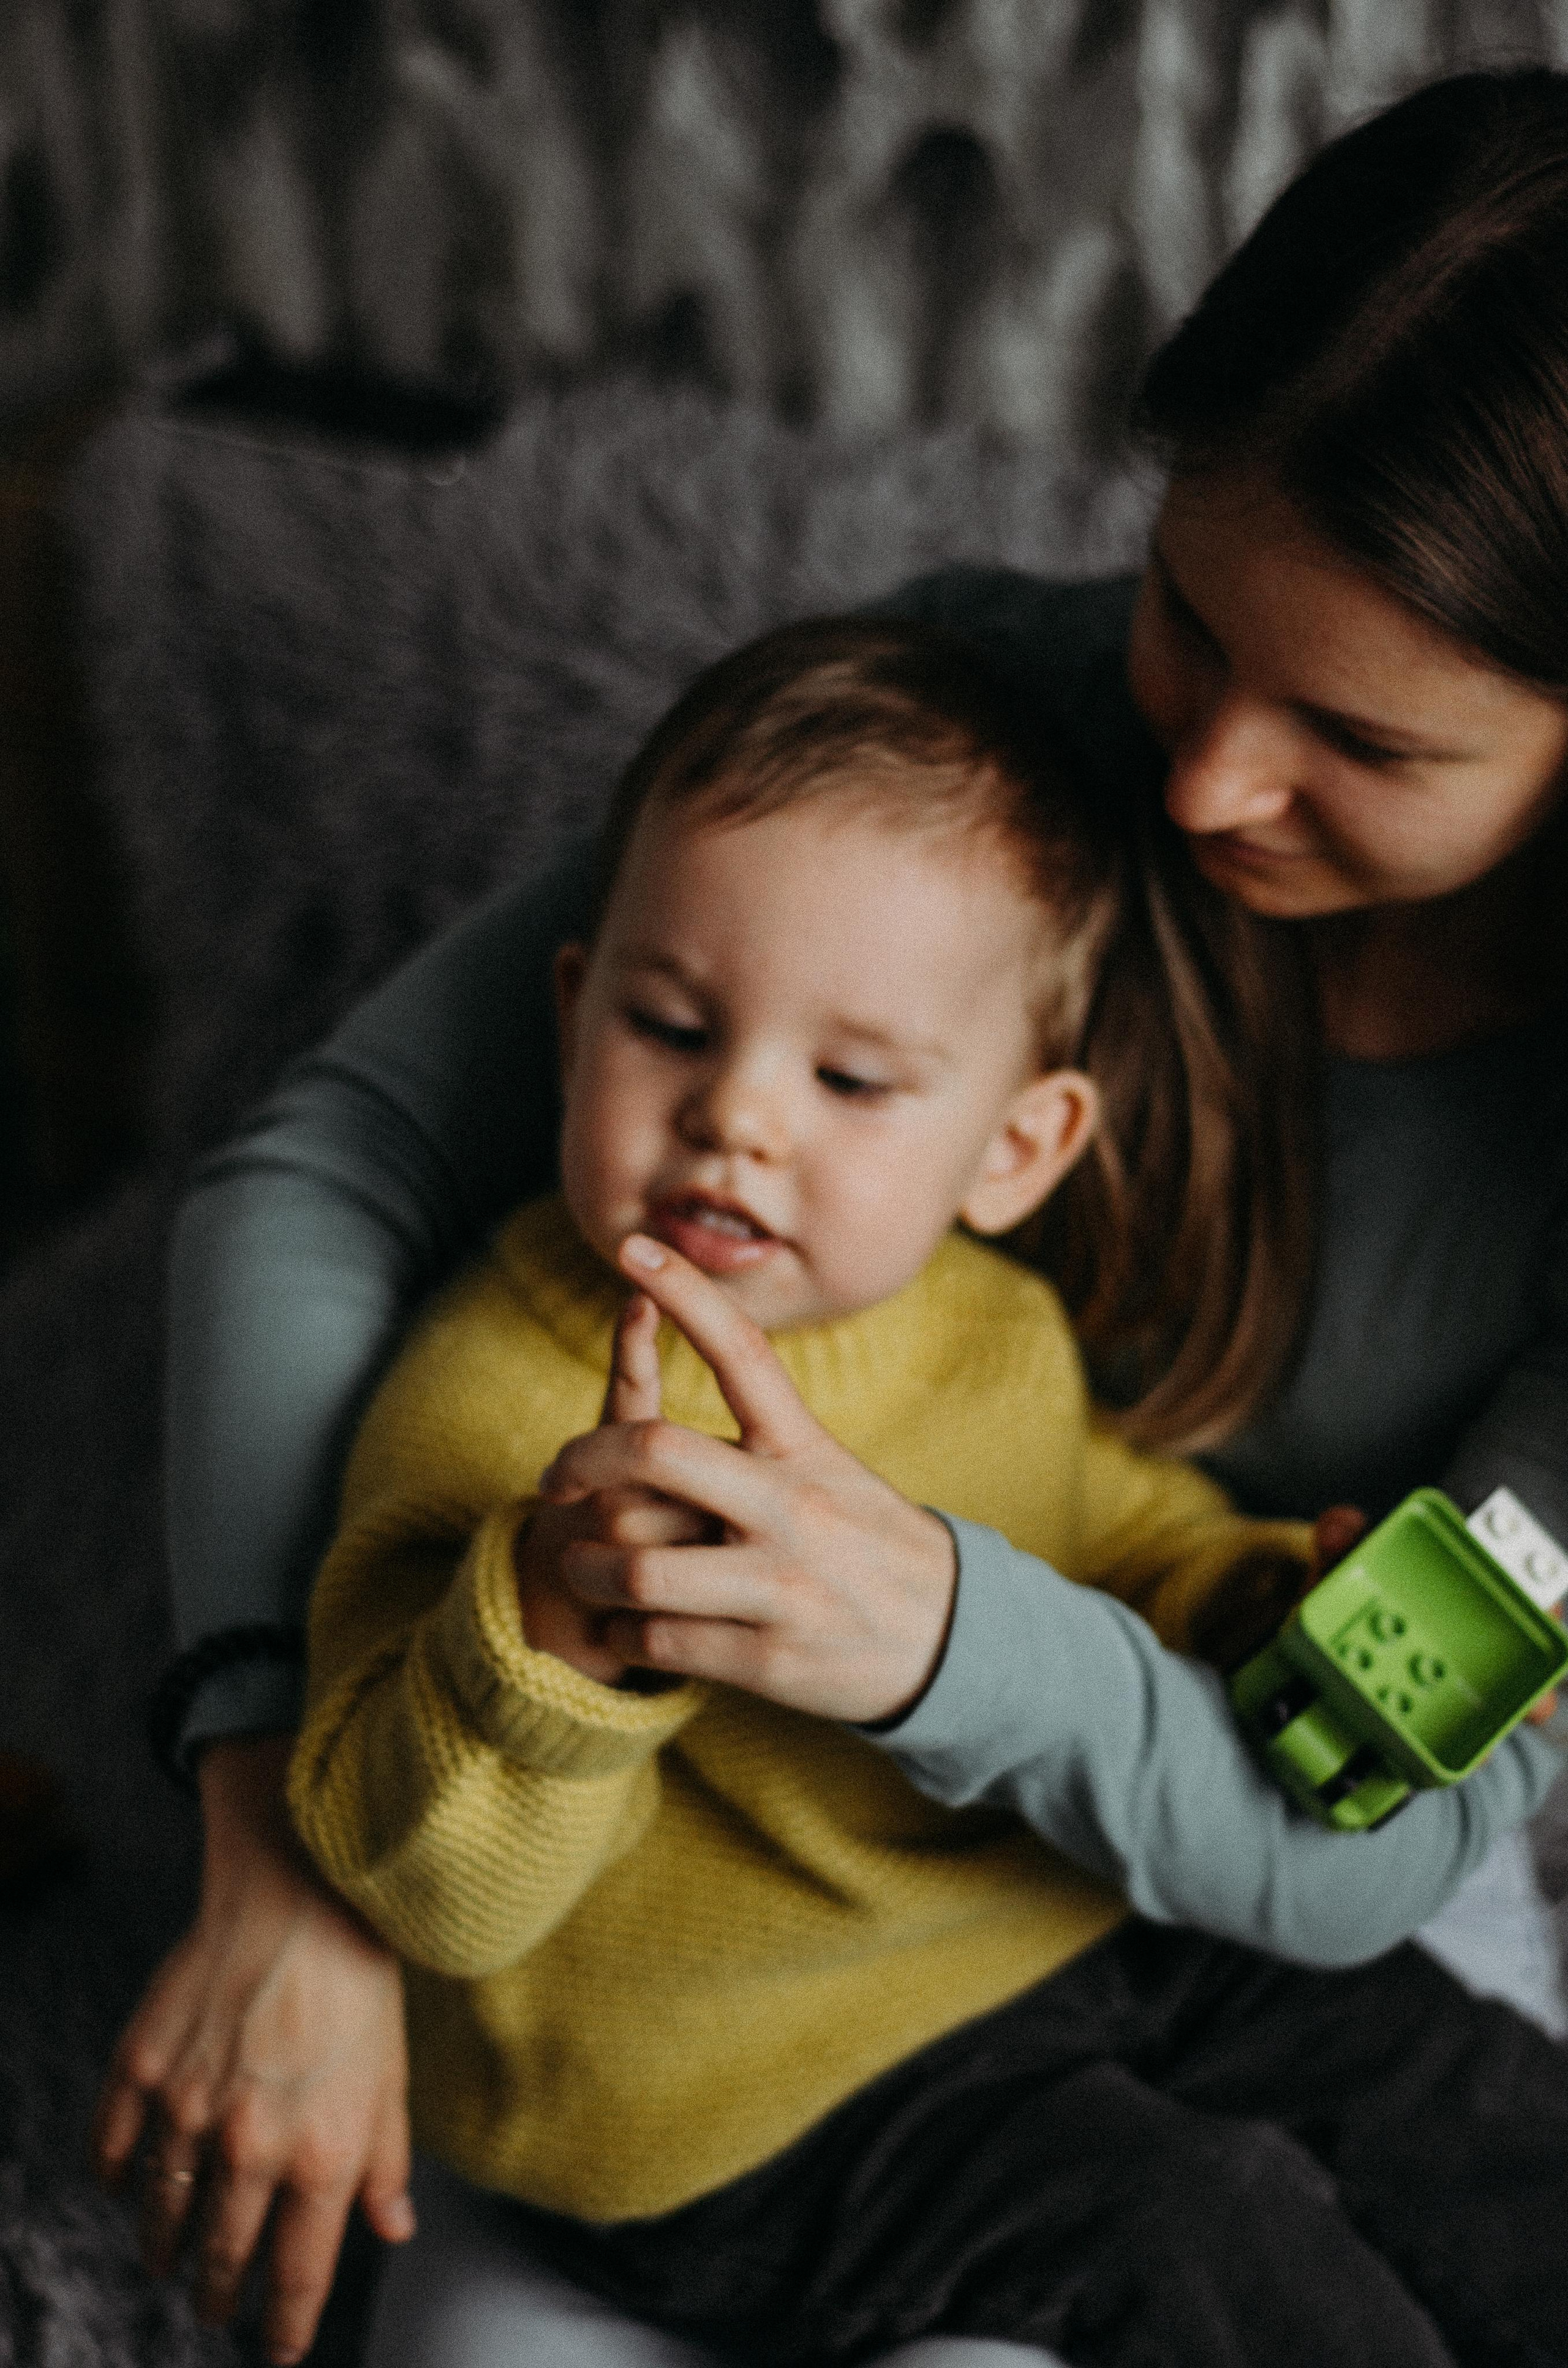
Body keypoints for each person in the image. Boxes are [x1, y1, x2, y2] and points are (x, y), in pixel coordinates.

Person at [94, 63, 1568, 2368]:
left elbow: (1353, 1834)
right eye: (1187, 612)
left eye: (1363, 747)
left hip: (1198, 1845)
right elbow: (330, 1162)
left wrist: (970, 1631)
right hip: (757, 1995)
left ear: (1030, 1137)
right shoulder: (955, 752)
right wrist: (283, 1831)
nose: (1196, 782)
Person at [290, 612, 1562, 2368]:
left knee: (1447, 2079)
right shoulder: (489, 1398)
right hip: (753, 2088)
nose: (738, 1117)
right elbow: (414, 1883)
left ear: (1017, 1148)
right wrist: (556, 1636)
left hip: (1046, 1909)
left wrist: (1253, 1592)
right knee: (1198, 2234)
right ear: (574, 1013)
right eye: (670, 1025)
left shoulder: (990, 1328)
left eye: (852, 1078)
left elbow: (1120, 1526)